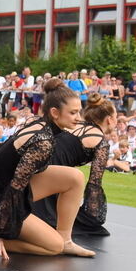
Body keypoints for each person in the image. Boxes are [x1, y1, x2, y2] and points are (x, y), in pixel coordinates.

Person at [0, 79, 97, 258]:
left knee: (75, 178)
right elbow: (14, 187)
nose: (78, 117)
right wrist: (0, 230)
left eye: (79, 111)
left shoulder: (40, 125)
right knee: (54, 247)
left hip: (6, 185)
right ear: (55, 112)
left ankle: (66, 240)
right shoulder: (43, 141)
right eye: (73, 113)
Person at [31, 94, 114, 236]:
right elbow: (94, 183)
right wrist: (92, 218)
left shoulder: (73, 126)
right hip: (51, 177)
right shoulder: (101, 142)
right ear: (110, 119)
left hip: (35, 169)